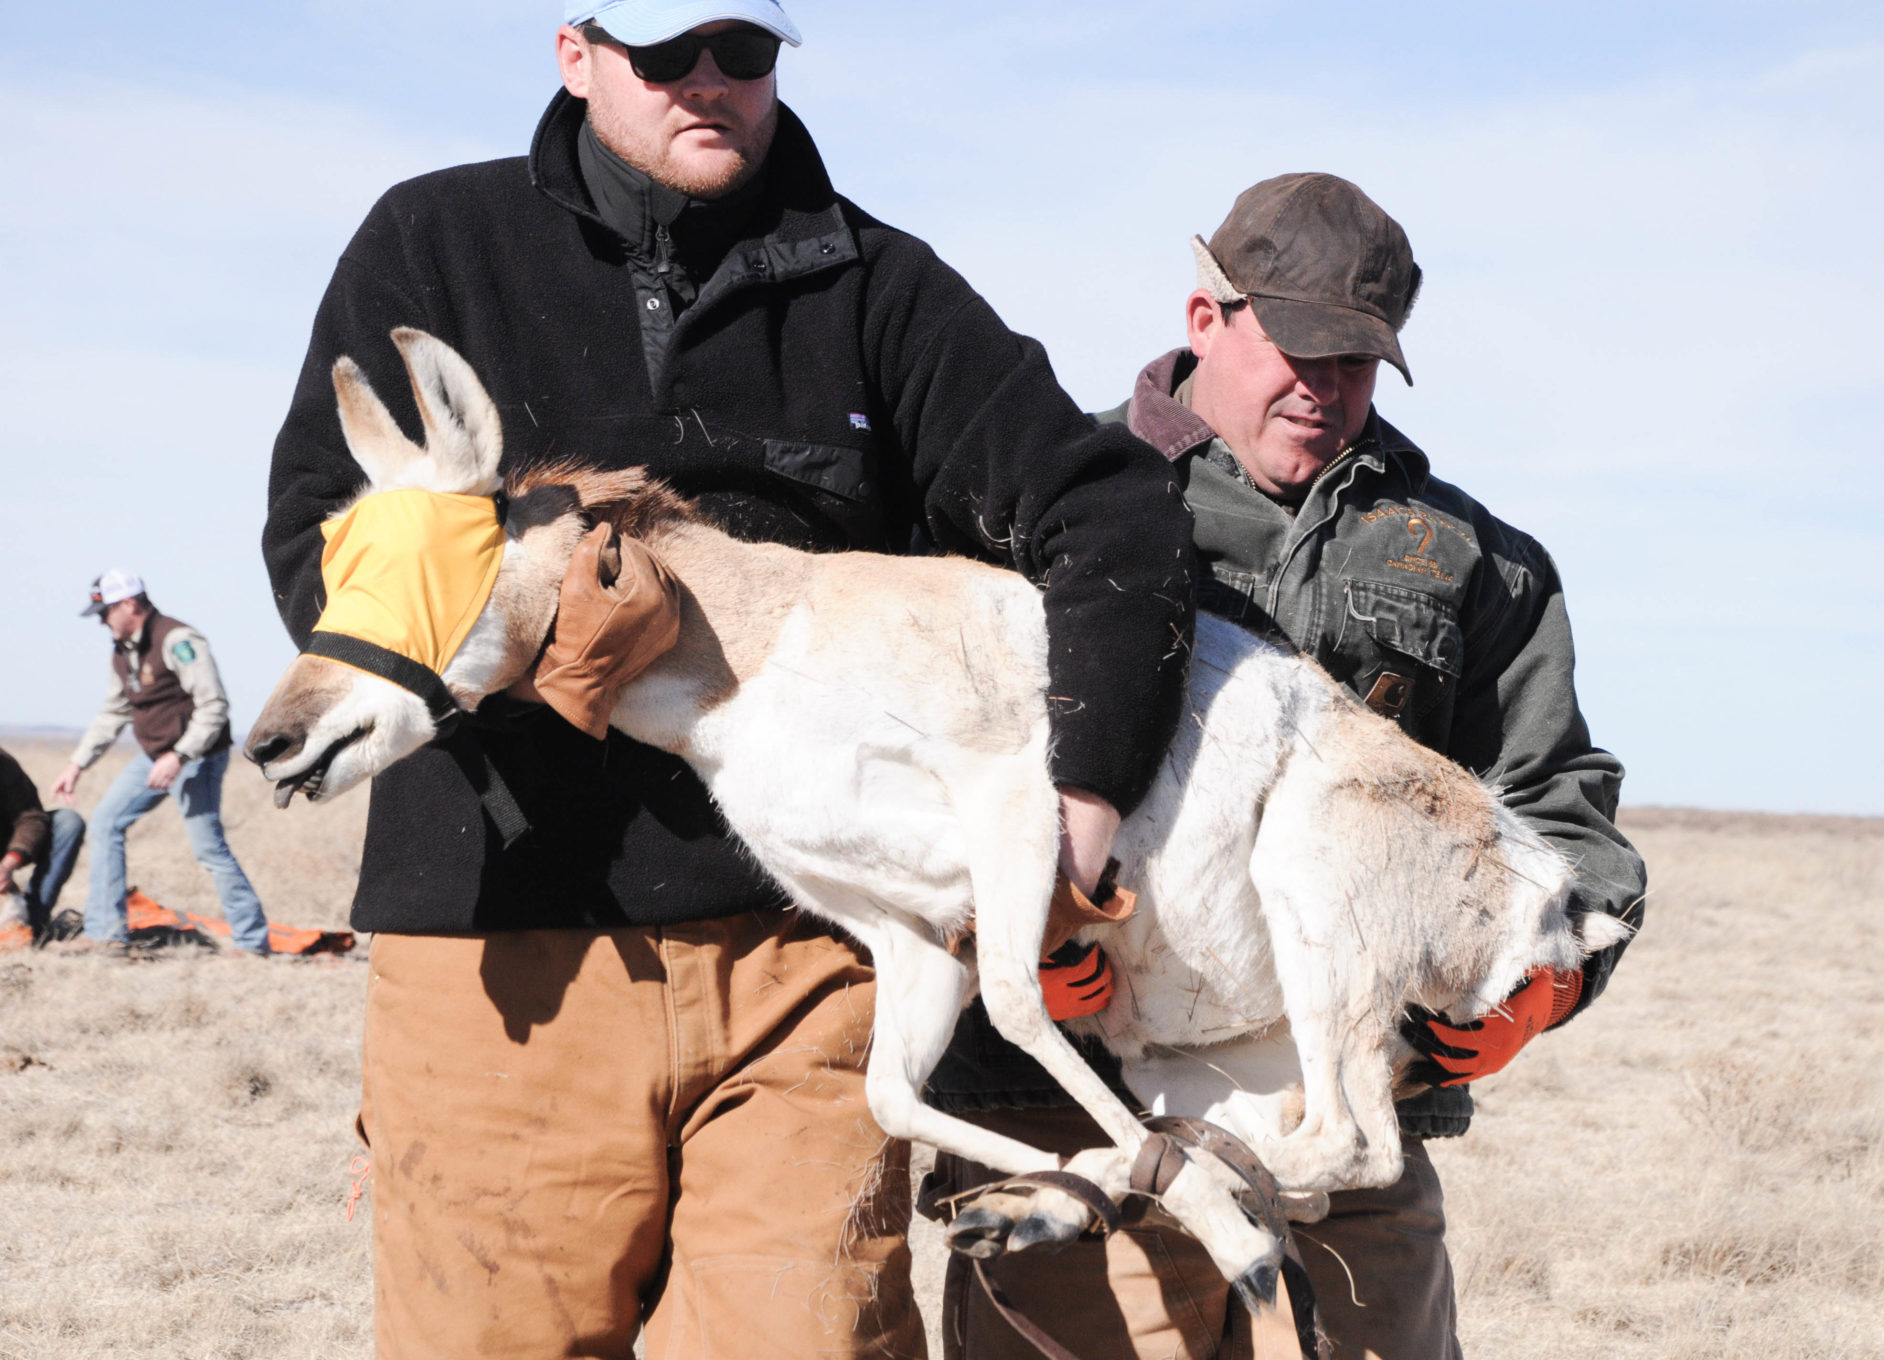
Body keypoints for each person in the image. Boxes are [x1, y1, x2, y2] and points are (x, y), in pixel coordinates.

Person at [259, 3, 1194, 1356]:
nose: (710, 83)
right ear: (576, 52)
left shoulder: (881, 286)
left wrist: (1086, 794)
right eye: (665, 53)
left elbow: (1108, 515)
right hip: (502, 954)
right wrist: (537, 649)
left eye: (743, 52)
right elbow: (322, 541)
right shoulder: (434, 244)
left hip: (809, 969)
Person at [929, 174, 1649, 1360]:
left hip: (1343, 1120)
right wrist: (993, 942)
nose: (1323, 392)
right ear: (1204, 316)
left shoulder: (1471, 557)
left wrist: (1547, 984)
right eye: (1297, 352)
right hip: (1063, 1104)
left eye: (1357, 365)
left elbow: (1554, 792)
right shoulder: (1039, 503)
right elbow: (924, 762)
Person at [50, 570, 269, 956]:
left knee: (208, 848)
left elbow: (214, 705)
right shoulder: (122, 651)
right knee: (105, 823)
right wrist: (76, 765)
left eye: (105, 612)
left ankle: (252, 943)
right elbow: (113, 713)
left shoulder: (178, 640)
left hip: (198, 756)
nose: (101, 621)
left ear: (129, 605)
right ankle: (106, 935)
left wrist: (180, 755)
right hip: (155, 756)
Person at [0, 746, 84, 941]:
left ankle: (32, 925)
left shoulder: (3, 764)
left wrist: (8, 864)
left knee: (68, 823)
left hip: (6, 843)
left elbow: (31, 818)